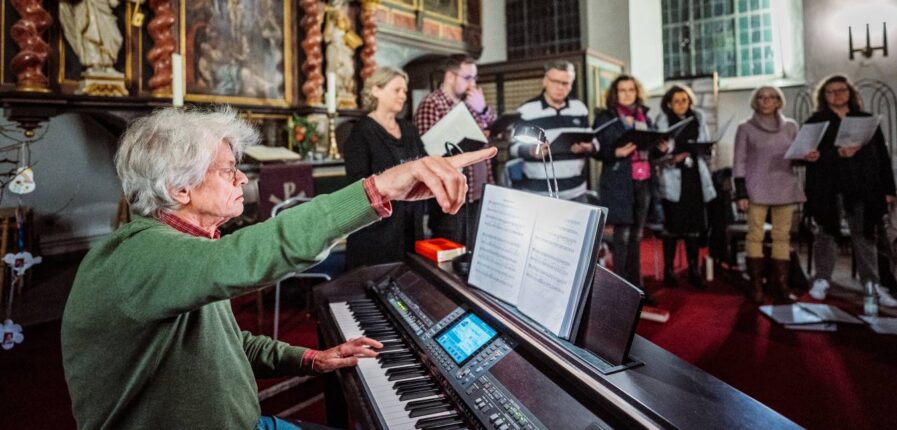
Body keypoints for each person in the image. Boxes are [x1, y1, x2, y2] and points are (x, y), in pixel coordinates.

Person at [61, 106, 496, 429]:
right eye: (229, 170)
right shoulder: (139, 257)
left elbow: (223, 346)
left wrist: (310, 358)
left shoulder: (180, 249)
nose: (241, 180)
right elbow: (256, 253)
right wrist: (378, 188)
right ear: (179, 188)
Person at [803, 74, 897, 306]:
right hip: (828, 186)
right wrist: (837, 153)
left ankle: (872, 283)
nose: (838, 95)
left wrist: (889, 189)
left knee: (865, 235)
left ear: (850, 93)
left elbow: (881, 157)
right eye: (832, 91)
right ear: (824, 96)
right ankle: (822, 279)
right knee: (826, 234)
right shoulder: (816, 121)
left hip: (862, 186)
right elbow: (808, 156)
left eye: (842, 90)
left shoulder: (865, 119)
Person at [344, 66, 427, 268]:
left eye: (405, 91)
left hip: (410, 227)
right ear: (376, 90)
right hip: (377, 233)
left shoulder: (408, 129)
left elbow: (424, 162)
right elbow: (358, 183)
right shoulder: (361, 131)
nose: (403, 96)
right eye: (396, 90)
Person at [413, 55, 496, 244]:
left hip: (477, 193)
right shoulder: (431, 104)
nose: (472, 84)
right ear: (450, 76)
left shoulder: (471, 104)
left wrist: (483, 109)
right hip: (451, 197)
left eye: (475, 78)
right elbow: (429, 152)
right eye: (468, 78)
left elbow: (500, 131)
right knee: (451, 252)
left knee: (475, 249)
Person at [733, 86, 805, 302]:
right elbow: (739, 161)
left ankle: (780, 285)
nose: (767, 101)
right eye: (762, 97)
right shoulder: (745, 128)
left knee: (782, 236)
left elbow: (797, 156)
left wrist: (807, 156)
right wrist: (741, 192)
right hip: (756, 188)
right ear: (756, 101)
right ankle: (756, 285)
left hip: (784, 185)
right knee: (755, 235)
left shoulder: (791, 126)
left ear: (778, 101)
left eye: (772, 97)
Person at [594, 75, 665, 288]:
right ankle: (621, 288)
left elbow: (652, 148)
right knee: (622, 237)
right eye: (622, 90)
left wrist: (662, 149)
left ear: (637, 92)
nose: (627, 94)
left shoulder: (645, 116)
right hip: (618, 182)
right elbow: (597, 150)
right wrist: (615, 152)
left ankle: (637, 287)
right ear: (615, 93)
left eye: (631, 90)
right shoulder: (606, 117)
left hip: (643, 182)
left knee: (637, 236)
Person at [655, 85, 716, 288]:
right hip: (673, 177)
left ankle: (693, 269)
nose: (681, 104)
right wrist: (672, 158)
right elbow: (656, 154)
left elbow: (706, 143)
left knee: (694, 227)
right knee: (672, 227)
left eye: (684, 100)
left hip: (695, 177)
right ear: (669, 104)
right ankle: (669, 270)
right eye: (676, 101)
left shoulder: (698, 118)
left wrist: (708, 149)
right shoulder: (663, 120)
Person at [510, 60, 596, 201]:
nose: (560, 87)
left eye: (565, 83)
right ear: (544, 81)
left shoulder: (580, 108)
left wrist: (589, 147)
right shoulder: (526, 110)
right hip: (538, 194)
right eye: (555, 81)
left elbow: (593, 141)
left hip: (576, 192)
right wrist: (531, 151)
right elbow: (512, 149)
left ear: (571, 85)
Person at [58, 0, 124, 74]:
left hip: (104, 9)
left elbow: (113, 3)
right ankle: (93, 65)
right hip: (87, 8)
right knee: (90, 35)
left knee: (114, 37)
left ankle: (108, 64)